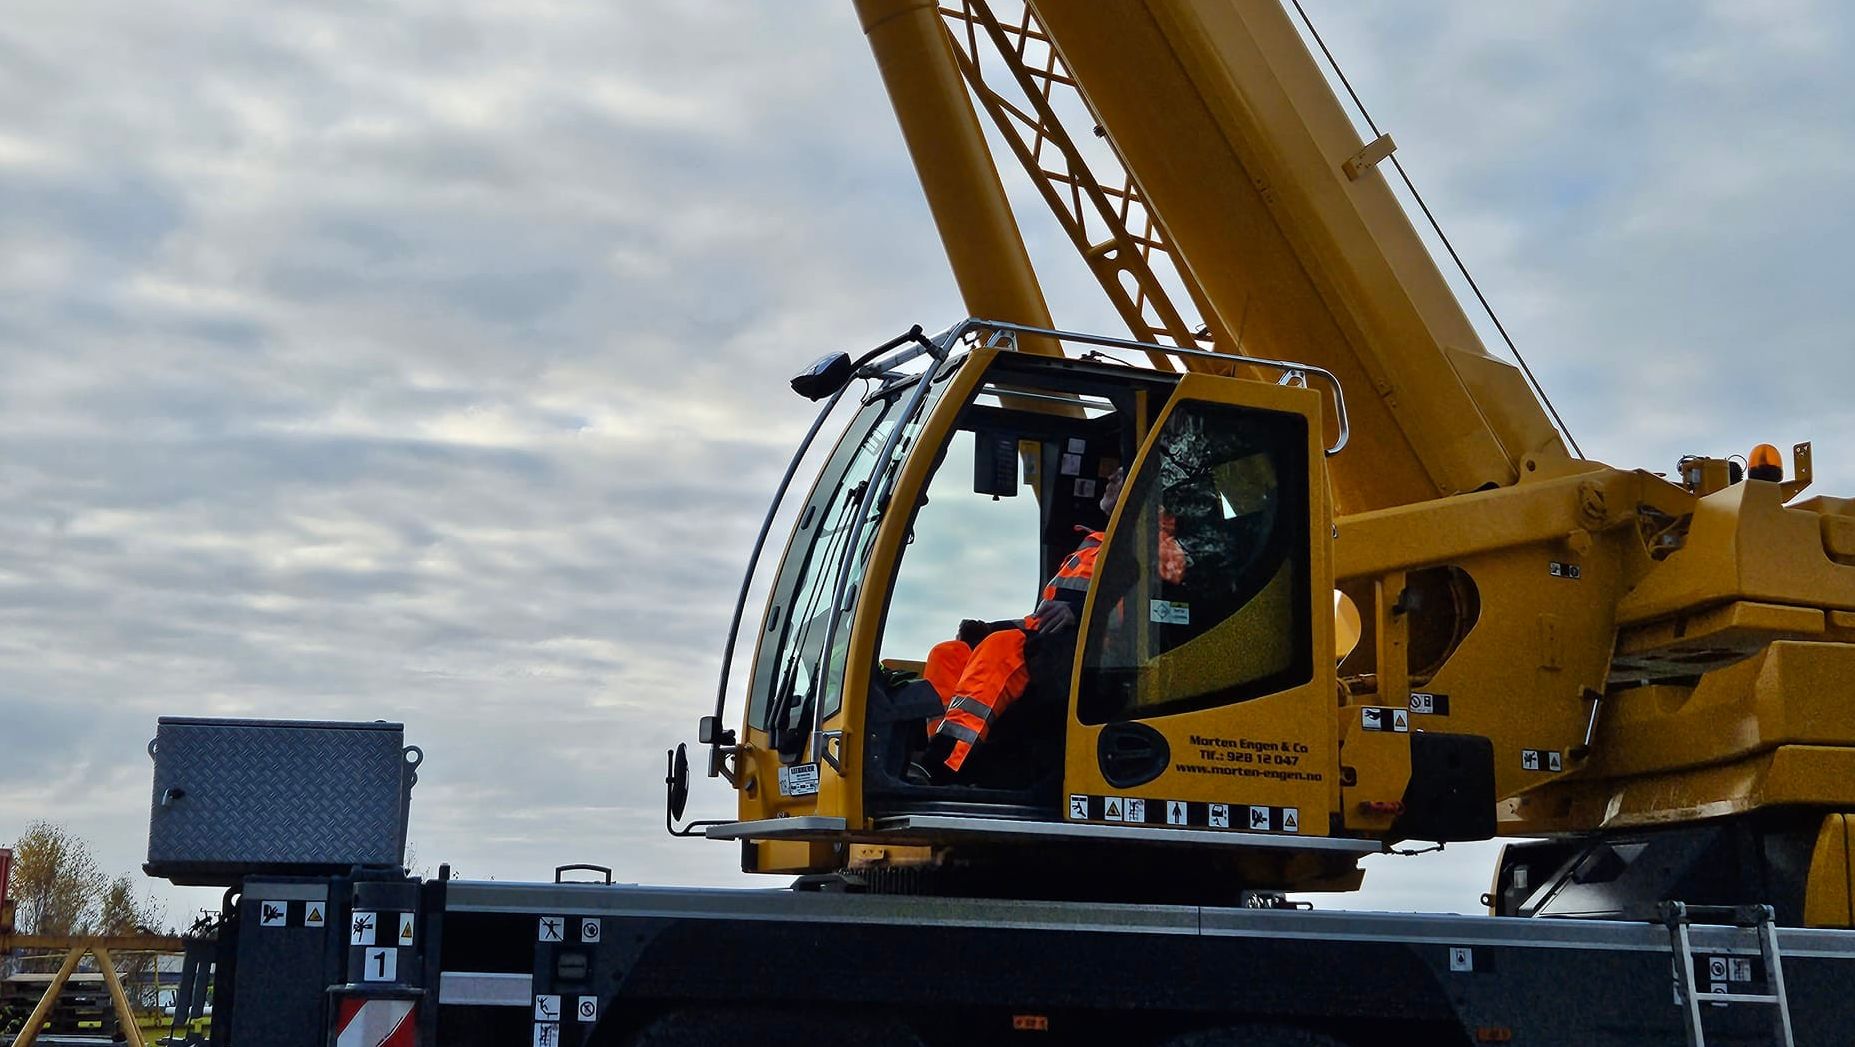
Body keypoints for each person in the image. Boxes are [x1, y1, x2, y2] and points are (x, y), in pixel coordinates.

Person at [919, 467, 1127, 776]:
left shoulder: (1150, 545)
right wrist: (991, 627)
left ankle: (947, 765)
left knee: (1003, 648)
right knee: (949, 653)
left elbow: (1145, 606)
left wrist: (1079, 612)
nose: (1109, 479)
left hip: (1097, 655)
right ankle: (937, 751)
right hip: (1053, 645)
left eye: (1120, 475)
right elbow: (1040, 619)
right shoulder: (1093, 545)